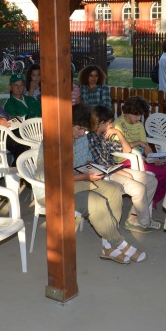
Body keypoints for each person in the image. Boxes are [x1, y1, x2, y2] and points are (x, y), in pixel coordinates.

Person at [33, 103, 146, 264]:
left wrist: (94, 168)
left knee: (114, 191)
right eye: (79, 128)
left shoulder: (82, 138)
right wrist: (84, 176)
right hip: (52, 189)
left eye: (85, 129)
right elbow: (56, 177)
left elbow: (85, 160)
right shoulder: (53, 142)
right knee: (96, 202)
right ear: (67, 124)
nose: (82, 133)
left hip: (77, 180)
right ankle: (118, 243)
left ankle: (108, 247)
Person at [87, 105, 160, 233]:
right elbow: (102, 164)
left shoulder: (106, 135)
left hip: (114, 170)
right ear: (102, 123)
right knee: (138, 188)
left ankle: (134, 218)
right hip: (104, 175)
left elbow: (127, 150)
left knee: (151, 181)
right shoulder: (90, 138)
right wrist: (122, 172)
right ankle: (144, 222)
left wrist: (118, 133)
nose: (111, 125)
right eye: (109, 123)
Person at [112, 96, 166, 209]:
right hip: (125, 160)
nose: (139, 118)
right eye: (137, 115)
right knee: (160, 171)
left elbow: (145, 146)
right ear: (128, 111)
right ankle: (150, 198)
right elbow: (121, 149)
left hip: (141, 157)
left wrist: (153, 158)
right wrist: (139, 143)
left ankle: (154, 198)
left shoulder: (139, 125)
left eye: (141, 115)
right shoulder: (118, 125)